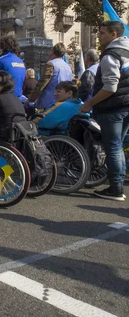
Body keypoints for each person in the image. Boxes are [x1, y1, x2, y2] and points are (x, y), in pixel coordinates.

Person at [80, 21, 129, 201]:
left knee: (113, 146)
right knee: (118, 145)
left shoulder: (110, 55)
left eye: (102, 33)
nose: (99, 36)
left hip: (113, 107)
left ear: (113, 34)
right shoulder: (126, 51)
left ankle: (116, 189)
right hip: (125, 105)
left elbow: (110, 87)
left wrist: (89, 104)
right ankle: (116, 183)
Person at [28, 43, 73, 110]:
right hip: (64, 102)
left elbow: (42, 83)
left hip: (49, 103)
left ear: (52, 52)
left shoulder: (51, 64)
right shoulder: (68, 66)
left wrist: (30, 99)